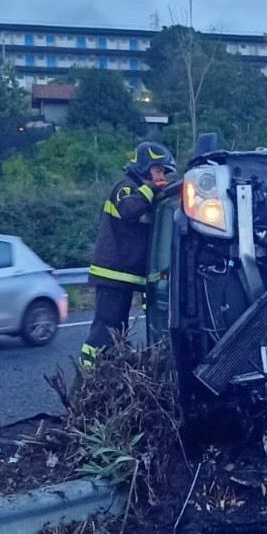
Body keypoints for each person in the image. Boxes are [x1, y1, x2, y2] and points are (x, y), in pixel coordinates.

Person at [80, 141, 176, 366]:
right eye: (158, 170)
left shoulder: (144, 195)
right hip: (113, 274)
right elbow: (129, 209)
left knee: (117, 331)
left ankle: (111, 368)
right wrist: (151, 189)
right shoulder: (125, 187)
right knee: (106, 327)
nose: (161, 176)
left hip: (125, 276)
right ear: (145, 167)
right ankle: (88, 371)